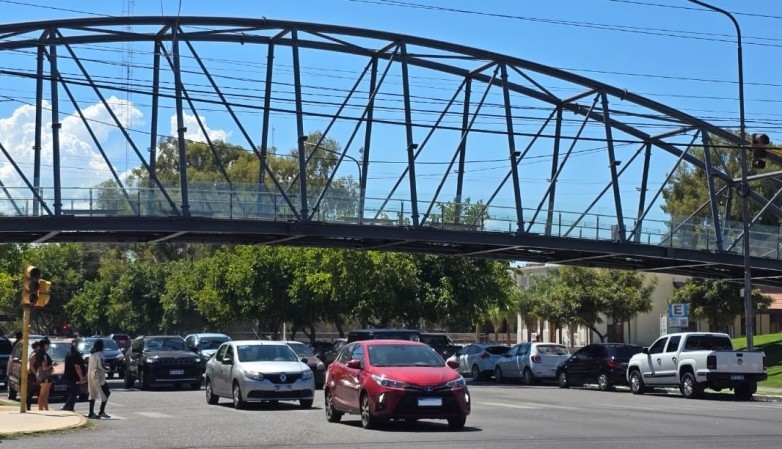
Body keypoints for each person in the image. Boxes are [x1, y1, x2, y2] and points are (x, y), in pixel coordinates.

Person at [87, 339, 110, 419]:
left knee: (92, 393)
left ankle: (91, 412)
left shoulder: (91, 354)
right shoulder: (100, 354)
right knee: (106, 392)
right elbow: (101, 365)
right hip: (98, 376)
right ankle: (101, 411)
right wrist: (108, 369)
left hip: (91, 375)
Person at [62, 340, 86, 412]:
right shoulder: (76, 354)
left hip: (68, 375)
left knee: (73, 391)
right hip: (74, 376)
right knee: (74, 391)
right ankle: (70, 407)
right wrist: (81, 378)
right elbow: (77, 366)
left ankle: (67, 406)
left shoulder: (69, 353)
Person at [35, 338, 54, 411]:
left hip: (42, 375)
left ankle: (46, 409)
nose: (49, 346)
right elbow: (44, 368)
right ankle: (41, 409)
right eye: (48, 345)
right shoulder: (43, 354)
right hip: (44, 375)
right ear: (45, 345)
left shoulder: (40, 353)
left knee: (45, 394)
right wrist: (52, 365)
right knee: (43, 394)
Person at [26, 341, 40, 411]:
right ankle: (28, 407)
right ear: (37, 347)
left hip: (34, 375)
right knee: (31, 392)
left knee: (35, 391)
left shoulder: (37, 354)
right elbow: (31, 366)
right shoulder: (34, 355)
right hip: (32, 375)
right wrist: (36, 374)